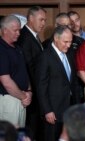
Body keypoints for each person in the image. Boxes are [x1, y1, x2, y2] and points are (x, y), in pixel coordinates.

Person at [36, 25, 80, 141]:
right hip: (53, 111)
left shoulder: (70, 54)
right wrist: (47, 110)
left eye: (70, 42)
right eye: (65, 42)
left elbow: (73, 82)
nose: (69, 45)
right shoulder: (45, 56)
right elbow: (41, 86)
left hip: (69, 110)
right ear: (56, 38)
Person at [16, 6, 46, 140]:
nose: (43, 23)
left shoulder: (33, 36)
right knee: (31, 129)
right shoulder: (23, 37)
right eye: (41, 20)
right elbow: (27, 68)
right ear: (30, 18)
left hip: (37, 92)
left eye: (45, 20)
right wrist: (34, 90)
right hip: (30, 93)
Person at [0, 15, 32, 128]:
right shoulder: (1, 49)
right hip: (9, 100)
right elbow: (6, 81)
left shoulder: (17, 48)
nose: (18, 33)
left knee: (19, 135)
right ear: (4, 30)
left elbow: (24, 72)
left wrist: (29, 92)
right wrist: (24, 96)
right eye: (15, 30)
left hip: (21, 99)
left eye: (19, 30)